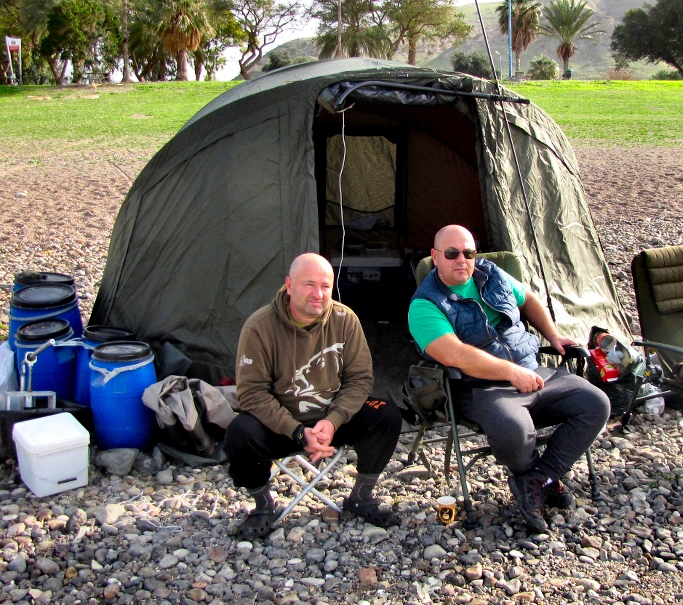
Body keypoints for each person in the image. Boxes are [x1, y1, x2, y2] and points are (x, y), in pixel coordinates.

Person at [408, 225, 610, 533]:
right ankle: (537, 479)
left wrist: (552, 335)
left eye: (468, 252)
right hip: (482, 387)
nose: (461, 259)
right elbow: (455, 355)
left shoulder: (491, 273)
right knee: (513, 431)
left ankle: (539, 479)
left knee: (596, 403)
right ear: (435, 257)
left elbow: (527, 298)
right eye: (451, 253)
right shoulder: (425, 305)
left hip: (533, 371)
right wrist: (510, 372)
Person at [224, 253, 402, 539]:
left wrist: (333, 421)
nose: (318, 294)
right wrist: (297, 433)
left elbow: (360, 379)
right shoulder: (259, 327)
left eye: (325, 286)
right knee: (239, 432)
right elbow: (251, 394)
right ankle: (263, 505)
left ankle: (361, 496)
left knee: (387, 415)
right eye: (309, 285)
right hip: (282, 426)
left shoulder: (345, 319)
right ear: (289, 285)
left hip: (331, 420)